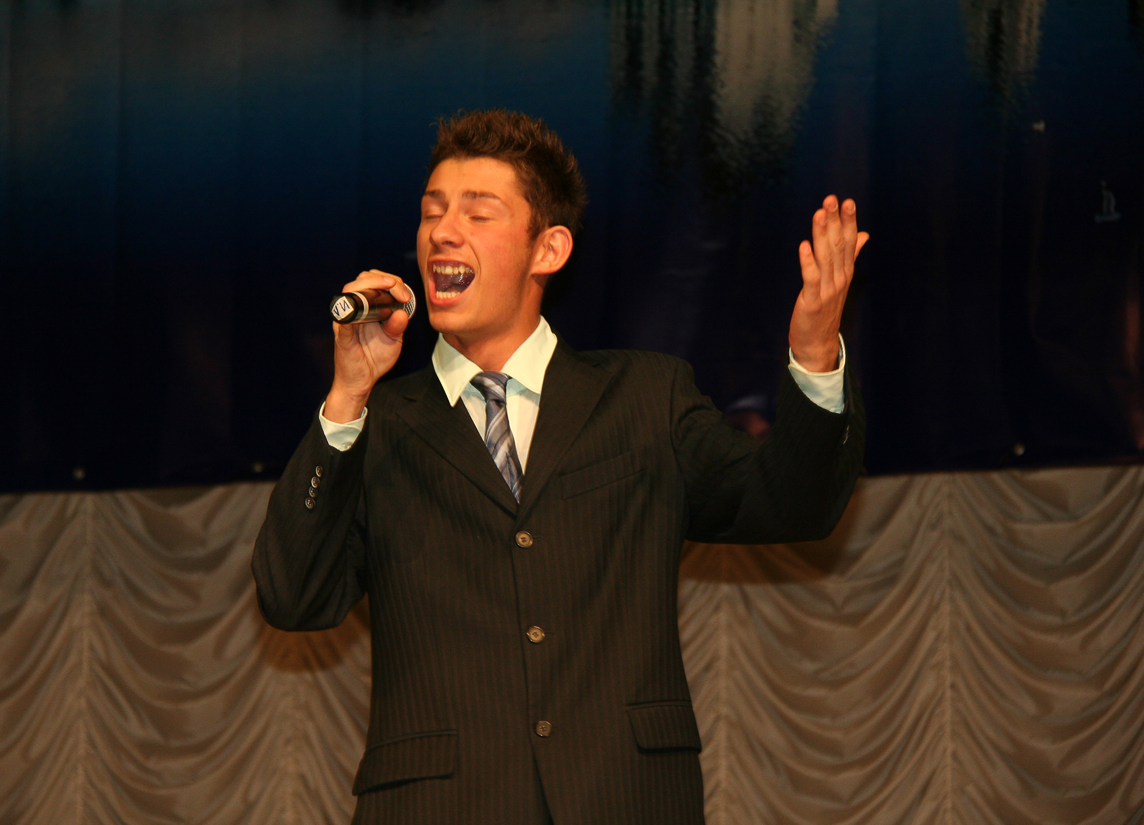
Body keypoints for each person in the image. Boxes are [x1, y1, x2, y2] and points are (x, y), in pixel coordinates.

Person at [252, 109, 868, 824]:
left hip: (624, 798)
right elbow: (294, 597)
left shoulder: (645, 397)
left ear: (548, 248)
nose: (442, 232)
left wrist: (815, 356)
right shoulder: (377, 425)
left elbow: (791, 502)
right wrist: (347, 395)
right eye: (432, 212)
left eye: (477, 212)